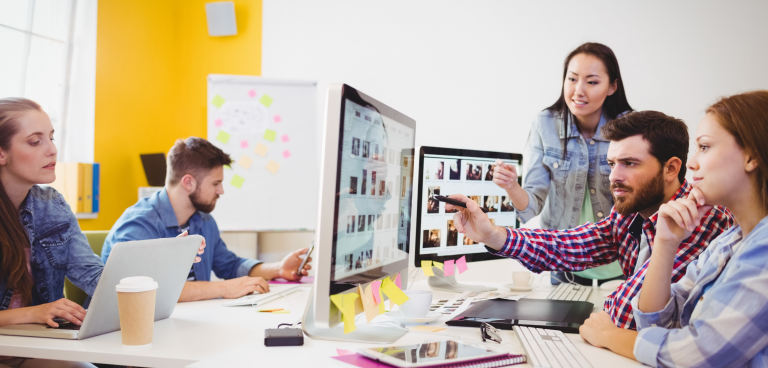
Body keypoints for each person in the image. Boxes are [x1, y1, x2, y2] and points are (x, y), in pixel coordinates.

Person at [446, 110, 733, 330]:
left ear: (671, 168)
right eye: (611, 164)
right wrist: (492, 234)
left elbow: (626, 315)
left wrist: (603, 321)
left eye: (629, 163)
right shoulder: (630, 212)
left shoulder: (701, 219)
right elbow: (569, 245)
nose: (614, 176)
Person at [0, 98, 203, 367]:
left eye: (51, 138)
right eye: (35, 142)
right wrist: (32, 314)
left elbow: (94, 277)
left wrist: (162, 263)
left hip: (37, 347)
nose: (52, 150)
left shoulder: (52, 205)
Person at [579, 91, 768, 366]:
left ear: (751, 155)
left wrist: (609, 335)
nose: (691, 163)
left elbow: (697, 353)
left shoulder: (763, 248)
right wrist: (665, 244)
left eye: (705, 147)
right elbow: (656, 324)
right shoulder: (729, 242)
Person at [101, 137, 311, 302]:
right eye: (215, 183)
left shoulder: (204, 221)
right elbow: (144, 291)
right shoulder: (139, 225)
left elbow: (230, 266)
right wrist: (222, 288)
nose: (221, 190)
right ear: (188, 183)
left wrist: (279, 269)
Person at [492, 42, 632, 286]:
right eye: (572, 79)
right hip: (564, 266)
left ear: (612, 87)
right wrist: (512, 186)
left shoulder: (629, 129)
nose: (578, 91)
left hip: (619, 265)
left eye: (592, 82)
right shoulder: (544, 124)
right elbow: (531, 206)